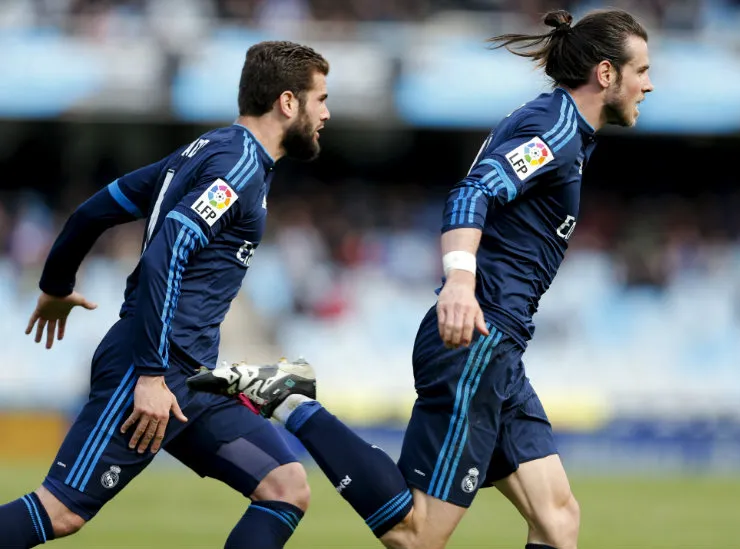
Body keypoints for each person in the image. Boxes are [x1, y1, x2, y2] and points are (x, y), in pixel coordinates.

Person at [188, 8, 654, 549]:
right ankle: (293, 401)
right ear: (605, 73)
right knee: (416, 536)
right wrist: (460, 282)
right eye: (641, 70)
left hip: (500, 347)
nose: (648, 84)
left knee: (558, 519)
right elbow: (473, 192)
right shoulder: (555, 129)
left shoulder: (561, 127)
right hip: (476, 340)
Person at [0, 41, 330, 549]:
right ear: (288, 102)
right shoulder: (237, 168)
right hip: (150, 367)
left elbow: (93, 211)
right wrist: (152, 375)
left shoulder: (206, 152)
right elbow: (166, 252)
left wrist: (56, 285)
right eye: (321, 99)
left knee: (286, 487)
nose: (326, 114)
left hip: (192, 378)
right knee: (61, 512)